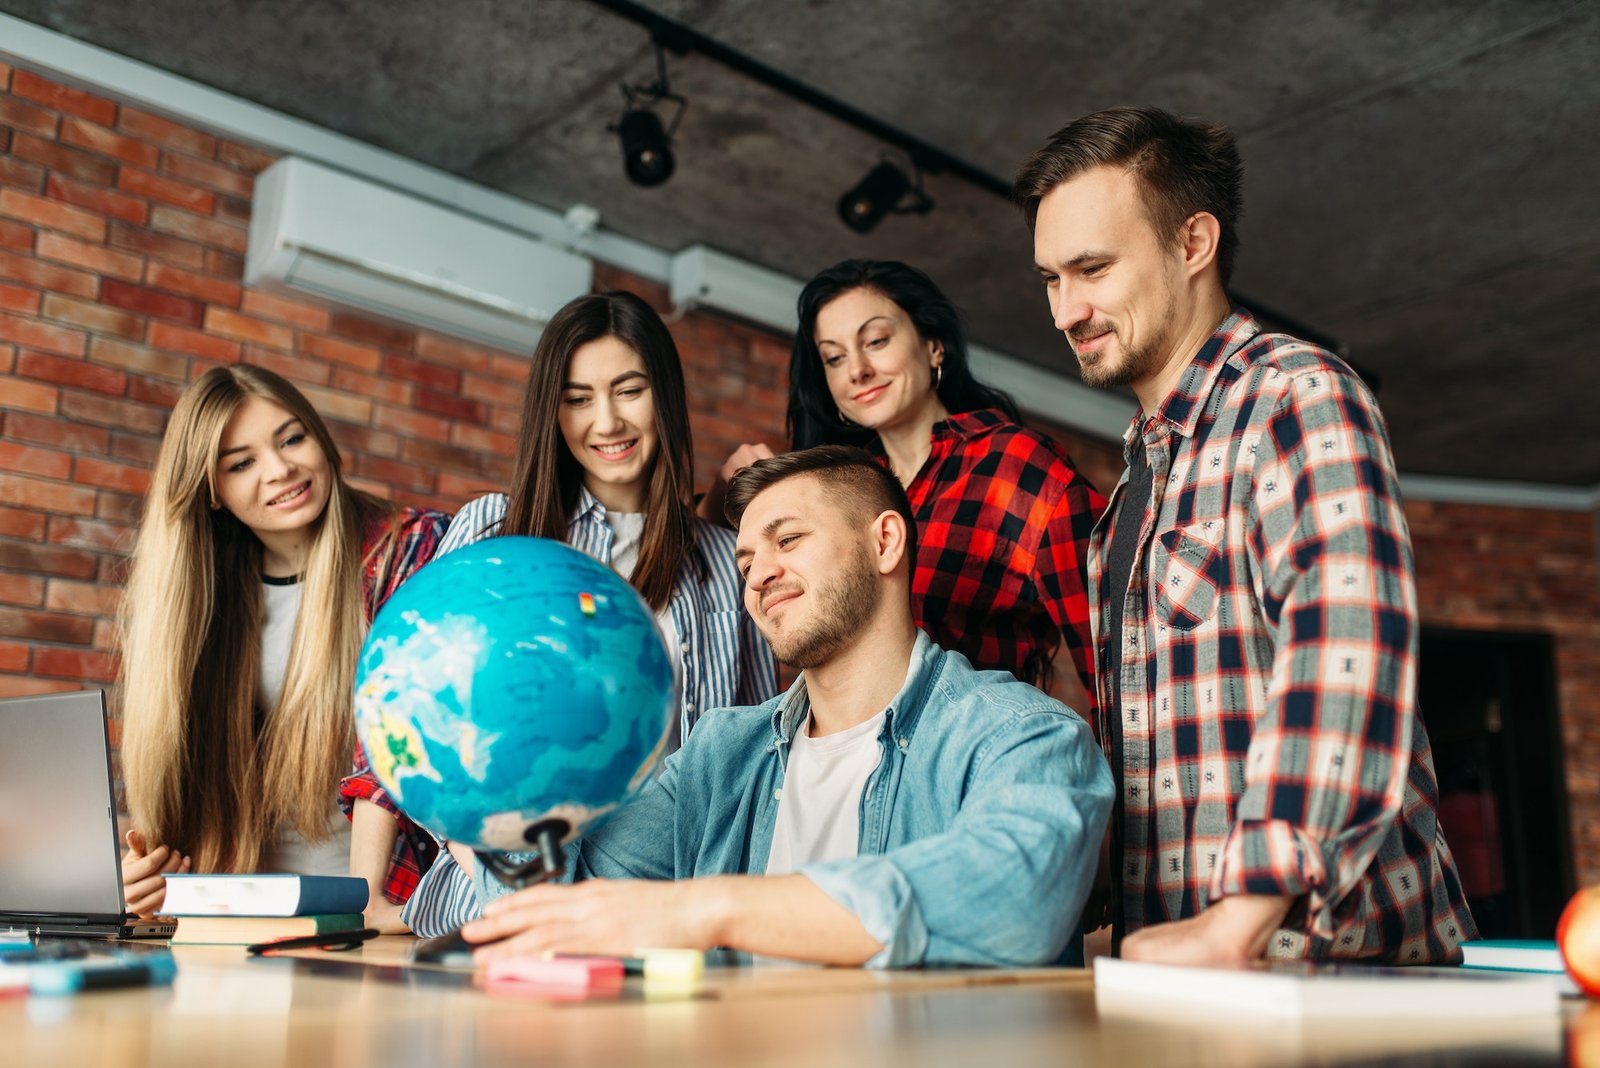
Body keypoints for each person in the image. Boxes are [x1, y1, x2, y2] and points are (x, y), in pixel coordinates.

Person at [1013, 106, 1477, 964]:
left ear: (1193, 243)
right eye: (1050, 278)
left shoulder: (1294, 399)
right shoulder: (1127, 498)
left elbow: (1350, 657)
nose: (1065, 310)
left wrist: (1241, 917)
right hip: (1200, 983)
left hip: (1337, 972)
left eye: (1093, 268)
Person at [459, 446, 1114, 967]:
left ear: (885, 543)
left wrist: (708, 909)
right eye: (744, 561)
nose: (759, 573)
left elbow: (1015, 901)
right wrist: (494, 765)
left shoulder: (1019, 732)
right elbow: (567, 906)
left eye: (788, 540)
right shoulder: (718, 756)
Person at [393, 290, 778, 935]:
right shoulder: (496, 531)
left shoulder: (722, 558)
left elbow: (753, 752)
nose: (606, 422)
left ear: (665, 396)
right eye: (577, 398)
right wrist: (506, 880)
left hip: (664, 909)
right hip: (506, 898)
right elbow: (411, 712)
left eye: (629, 390)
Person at [118, 365, 447, 931]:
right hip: (239, 916)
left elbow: (402, 734)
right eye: (241, 463)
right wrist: (146, 876)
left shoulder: (412, 549)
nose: (280, 469)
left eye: (292, 438)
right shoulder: (200, 596)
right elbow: (175, 771)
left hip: (379, 913)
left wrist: (364, 903)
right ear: (212, 491)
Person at [701, 260, 1105, 703]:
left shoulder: (1016, 466)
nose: (857, 370)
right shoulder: (837, 489)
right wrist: (724, 488)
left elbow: (1109, 649)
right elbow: (709, 570)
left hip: (969, 751)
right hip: (845, 753)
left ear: (933, 346)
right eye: (834, 358)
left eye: (875, 341)